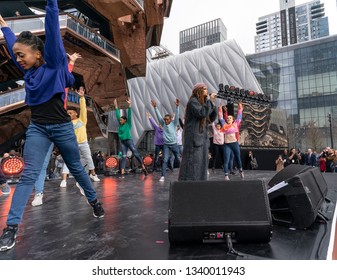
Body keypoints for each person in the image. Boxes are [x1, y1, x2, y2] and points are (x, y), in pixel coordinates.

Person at [0, 1, 104, 252]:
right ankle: (10, 228)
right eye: (16, 55)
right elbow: (14, 43)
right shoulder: (28, 72)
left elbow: (52, 27)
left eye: (21, 55)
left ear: (37, 54)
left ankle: (94, 201)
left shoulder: (55, 64)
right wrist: (4, 27)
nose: (18, 59)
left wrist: (51, 4)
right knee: (28, 175)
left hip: (61, 127)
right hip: (38, 127)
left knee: (77, 169)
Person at [60, 86, 100, 188]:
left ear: (76, 113)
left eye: (70, 113)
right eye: (67, 113)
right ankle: (64, 180)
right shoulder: (67, 123)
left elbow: (83, 110)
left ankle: (93, 174)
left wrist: (82, 98)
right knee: (68, 160)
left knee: (89, 158)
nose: (69, 114)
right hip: (73, 144)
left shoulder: (82, 120)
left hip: (83, 143)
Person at [178, 83, 217, 181]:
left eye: (207, 89)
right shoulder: (193, 102)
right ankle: (188, 183)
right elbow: (202, 113)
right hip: (194, 139)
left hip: (202, 139)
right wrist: (210, 101)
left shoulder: (203, 104)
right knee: (193, 163)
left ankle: (199, 183)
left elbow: (210, 119)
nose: (207, 90)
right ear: (198, 90)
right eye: (204, 89)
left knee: (201, 163)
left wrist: (213, 105)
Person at [114, 98, 147, 177]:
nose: (120, 121)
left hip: (129, 141)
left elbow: (129, 115)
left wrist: (129, 105)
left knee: (135, 154)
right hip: (123, 143)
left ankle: (143, 167)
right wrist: (116, 107)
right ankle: (122, 172)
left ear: (125, 120)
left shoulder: (128, 124)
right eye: (120, 120)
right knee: (124, 156)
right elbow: (118, 115)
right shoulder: (121, 125)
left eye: (121, 120)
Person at [152, 98, 181, 182]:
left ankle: (183, 172)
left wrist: (177, 106)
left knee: (178, 159)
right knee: (164, 160)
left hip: (174, 144)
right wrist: (155, 107)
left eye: (167, 119)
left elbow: (177, 116)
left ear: (170, 120)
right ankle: (163, 176)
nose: (165, 121)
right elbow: (159, 116)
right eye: (164, 120)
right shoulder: (163, 124)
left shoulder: (174, 123)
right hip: (166, 145)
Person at [220, 102, 244, 180]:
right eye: (227, 118)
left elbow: (239, 116)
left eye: (230, 118)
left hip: (234, 144)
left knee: (238, 158)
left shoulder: (236, 124)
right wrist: (220, 108)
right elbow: (221, 117)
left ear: (233, 120)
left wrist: (240, 107)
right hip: (227, 145)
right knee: (226, 160)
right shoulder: (224, 125)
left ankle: (240, 171)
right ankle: (226, 175)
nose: (228, 119)